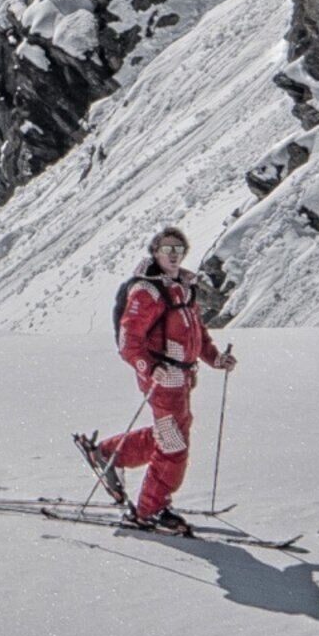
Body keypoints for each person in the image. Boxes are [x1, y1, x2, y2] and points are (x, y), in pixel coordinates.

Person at [77, 224, 235, 532]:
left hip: (182, 377)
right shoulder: (147, 291)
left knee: (170, 434)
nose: (174, 255)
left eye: (179, 249)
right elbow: (129, 340)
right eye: (167, 249)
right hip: (162, 378)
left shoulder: (183, 289)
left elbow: (197, 335)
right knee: (174, 444)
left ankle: (108, 453)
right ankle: (151, 509)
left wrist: (216, 358)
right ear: (155, 252)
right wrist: (149, 368)